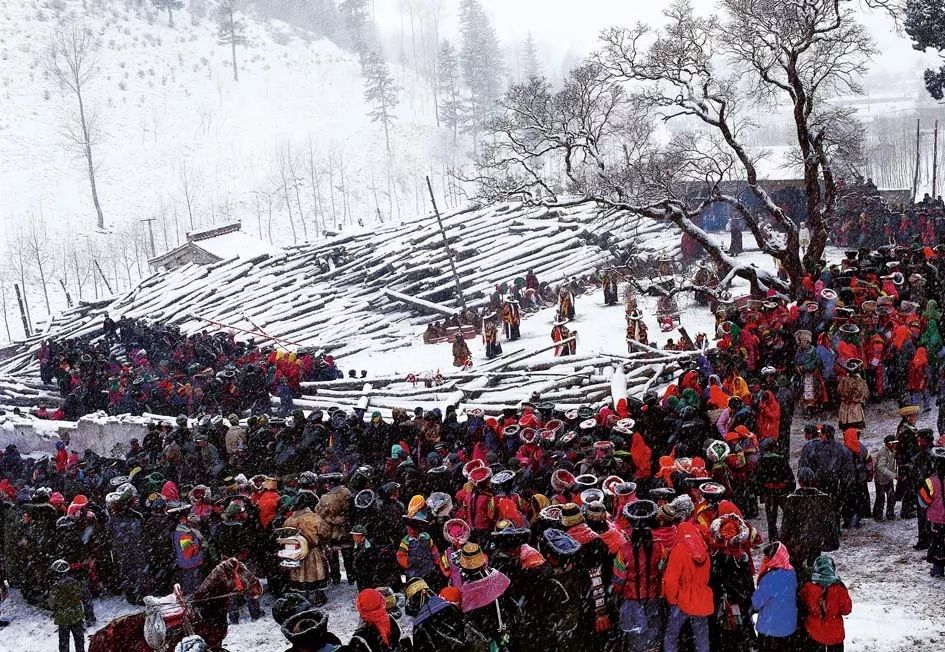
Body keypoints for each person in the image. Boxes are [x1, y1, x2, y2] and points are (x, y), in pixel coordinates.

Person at [662, 521, 712, 652]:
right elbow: (707, 576)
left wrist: (672, 599)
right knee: (702, 637)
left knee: (671, 636)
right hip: (701, 599)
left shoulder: (679, 550)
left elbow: (670, 580)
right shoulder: (704, 551)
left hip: (682, 599)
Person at [780, 467, 839, 572]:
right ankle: (811, 578)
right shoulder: (823, 498)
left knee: (797, 567)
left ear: (800, 481)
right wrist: (831, 538)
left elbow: (787, 523)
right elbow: (830, 521)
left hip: (797, 539)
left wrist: (783, 540)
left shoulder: (792, 499)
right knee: (813, 565)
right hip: (816, 538)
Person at [798, 556, 852, 652]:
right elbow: (847, 610)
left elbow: (802, 603)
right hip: (834, 633)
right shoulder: (839, 588)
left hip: (815, 632)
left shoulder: (809, 587)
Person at [751, 542, 797, 652]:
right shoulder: (791, 572)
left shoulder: (769, 578)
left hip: (770, 629)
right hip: (788, 627)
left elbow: (756, 603)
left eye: (766, 557)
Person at [918, 446, 945, 577]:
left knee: (937, 543)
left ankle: (938, 569)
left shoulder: (931, 482)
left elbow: (923, 501)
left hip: (937, 519)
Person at [48, 559, 85, 652]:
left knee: (64, 643)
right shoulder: (75, 583)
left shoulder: (56, 587)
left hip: (63, 618)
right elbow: (82, 596)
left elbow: (51, 603)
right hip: (76, 616)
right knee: (79, 642)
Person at [873, 434, 898, 522]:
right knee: (880, 498)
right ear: (889, 444)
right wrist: (893, 475)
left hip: (888, 478)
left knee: (891, 497)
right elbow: (881, 467)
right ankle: (878, 515)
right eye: (894, 443)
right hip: (880, 479)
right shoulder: (883, 453)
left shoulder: (892, 451)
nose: (896, 445)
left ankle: (890, 514)